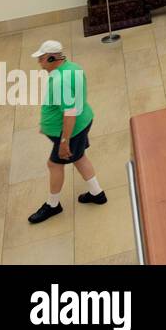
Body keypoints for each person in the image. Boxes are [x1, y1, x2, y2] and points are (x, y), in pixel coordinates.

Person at [28, 41, 105, 224]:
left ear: (53, 58)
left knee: (54, 165)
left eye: (42, 58)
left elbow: (69, 113)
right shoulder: (73, 67)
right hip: (83, 122)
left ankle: (53, 205)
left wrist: (64, 142)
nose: (40, 62)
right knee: (79, 157)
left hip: (72, 131)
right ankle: (97, 194)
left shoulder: (60, 81)